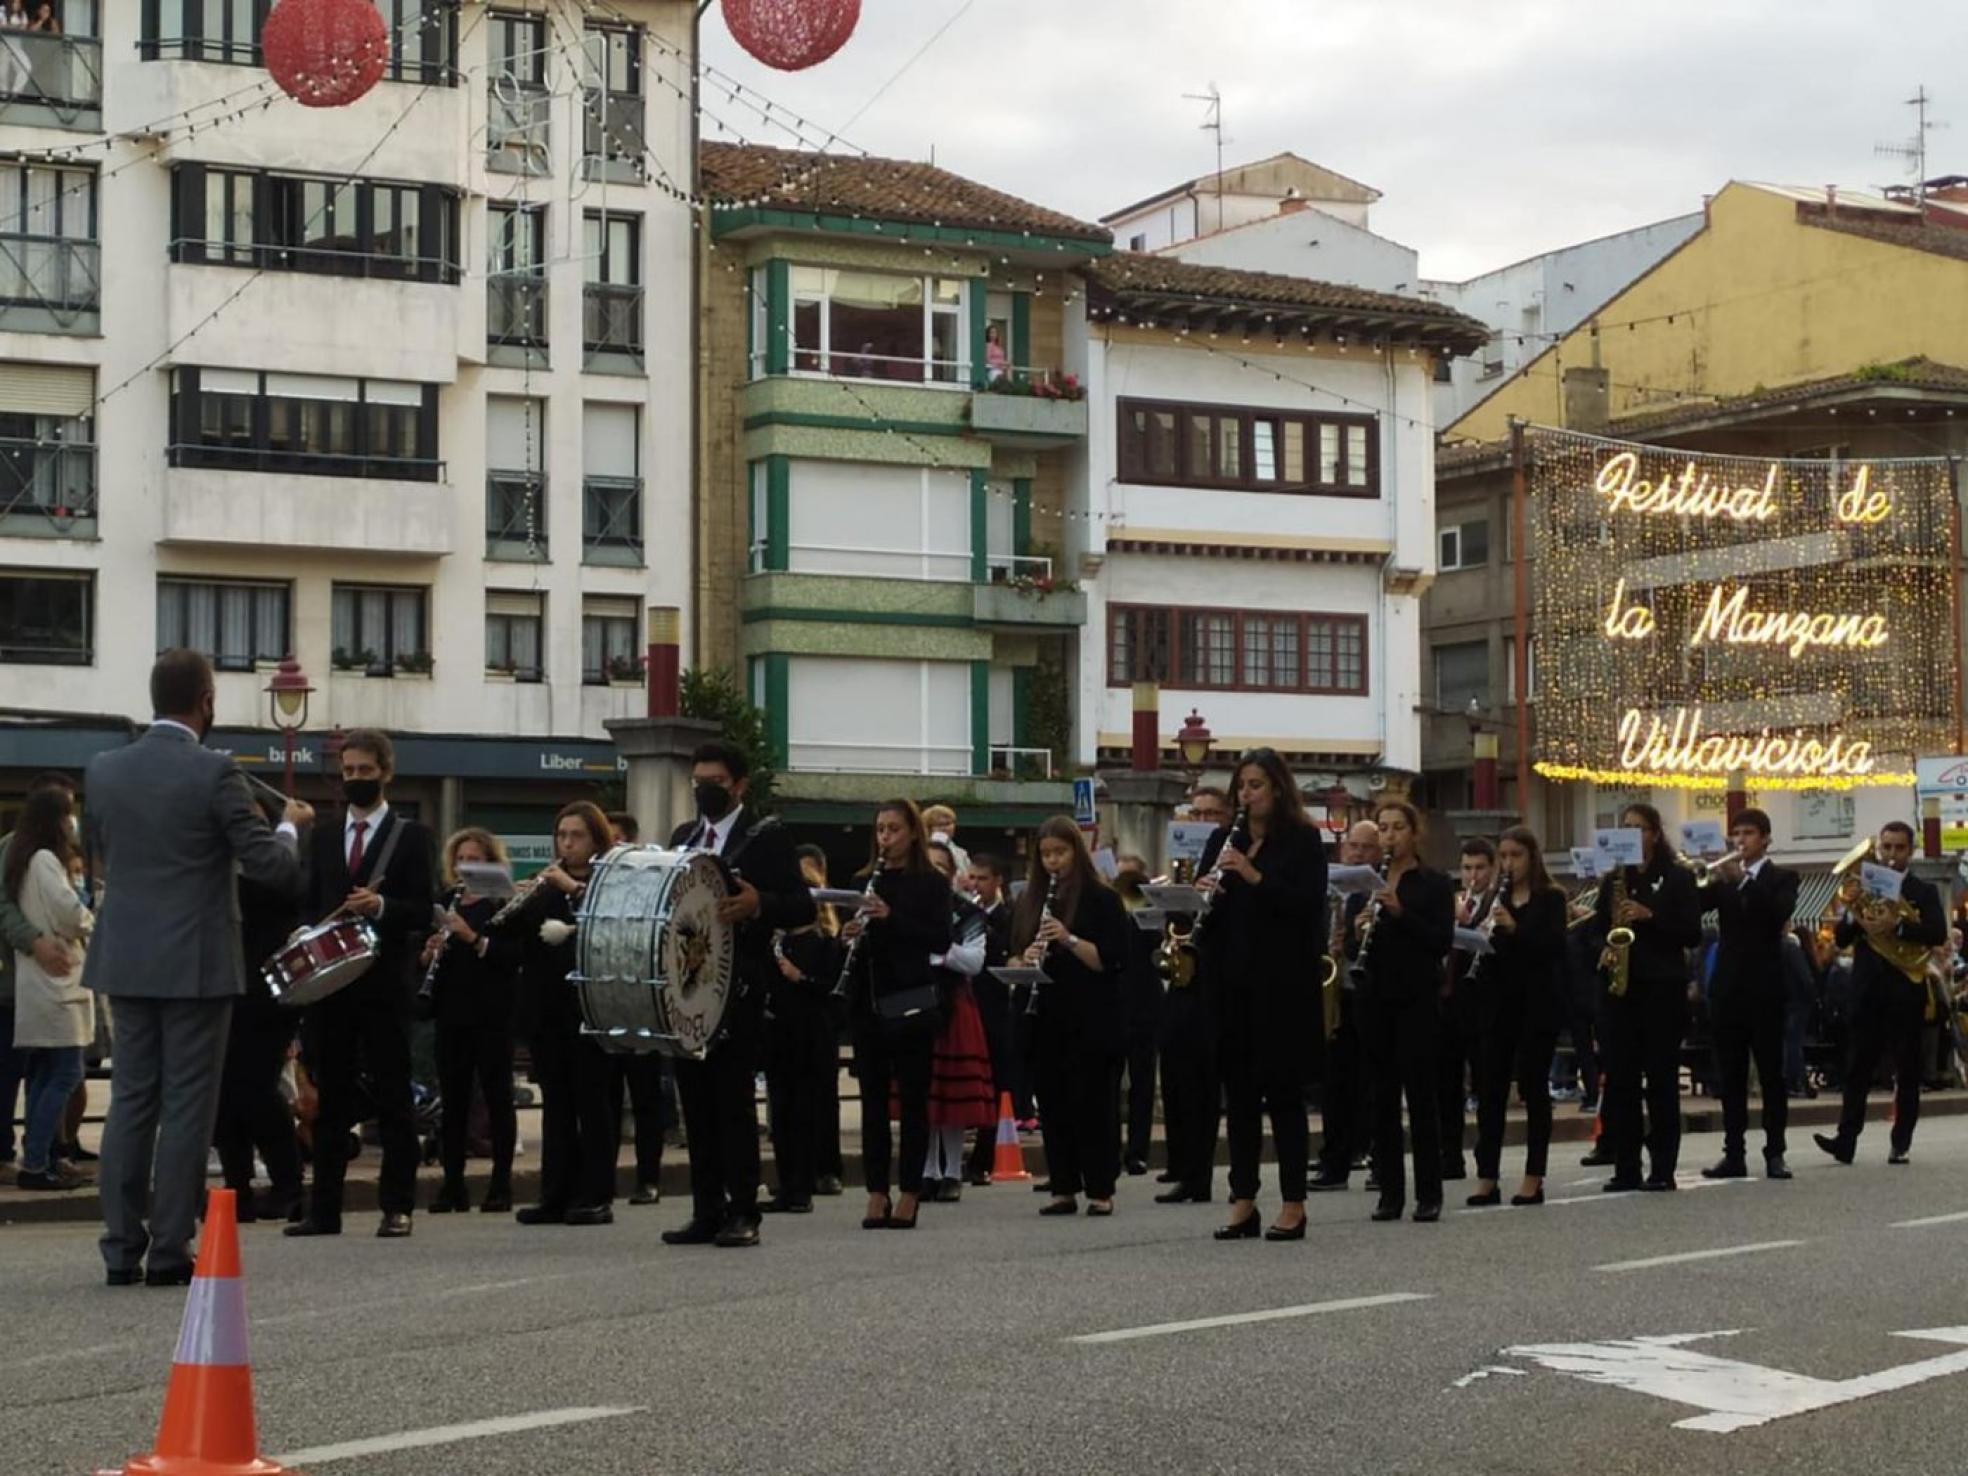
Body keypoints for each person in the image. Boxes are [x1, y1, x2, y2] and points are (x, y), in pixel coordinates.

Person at [86, 650, 307, 1285]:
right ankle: (168, 1250)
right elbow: (273, 868)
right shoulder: (216, 773)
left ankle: (121, 1247)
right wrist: (290, 828)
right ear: (207, 700)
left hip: (126, 956)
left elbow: (111, 855)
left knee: (130, 1100)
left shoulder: (103, 770)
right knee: (186, 1106)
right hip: (197, 960)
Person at [663, 742, 813, 1249]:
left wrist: (758, 904)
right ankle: (706, 1208)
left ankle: (744, 1210)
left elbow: (800, 907)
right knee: (696, 1103)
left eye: (716, 782)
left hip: (740, 985)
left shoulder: (765, 838)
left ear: (739, 785)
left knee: (732, 1101)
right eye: (698, 780)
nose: (705, 789)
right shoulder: (683, 837)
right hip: (687, 985)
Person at [287, 729, 435, 1241]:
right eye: (347, 771)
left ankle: (398, 1207)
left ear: (386, 773)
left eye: (364, 771)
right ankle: (323, 1209)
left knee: (394, 1097)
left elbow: (425, 908)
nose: (354, 780)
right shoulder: (324, 835)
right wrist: (305, 930)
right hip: (333, 986)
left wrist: (384, 908)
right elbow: (309, 899)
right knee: (330, 1099)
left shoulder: (411, 837)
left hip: (385, 983)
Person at [1202, 750, 1328, 1241]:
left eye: (1255, 785)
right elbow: (1217, 917)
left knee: (1284, 1097)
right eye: (1241, 786)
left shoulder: (1302, 841)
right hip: (1231, 984)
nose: (1246, 794)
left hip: (1282, 988)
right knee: (1239, 1099)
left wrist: (1254, 877)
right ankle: (1243, 1199)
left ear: (1276, 788)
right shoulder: (1221, 838)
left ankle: (1294, 1201)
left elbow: (1306, 906)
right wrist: (1202, 894)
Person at [842, 799, 951, 1231]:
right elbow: (857, 941)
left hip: (911, 1000)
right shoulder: (863, 881)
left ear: (912, 834)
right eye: (880, 830)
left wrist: (891, 917)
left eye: (893, 830)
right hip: (868, 1000)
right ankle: (875, 1191)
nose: (885, 838)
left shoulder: (931, 884)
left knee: (912, 1100)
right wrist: (849, 933)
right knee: (871, 1102)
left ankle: (909, 1190)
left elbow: (940, 940)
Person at [1013, 817, 1129, 1219]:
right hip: (1047, 1015)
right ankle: (1063, 1186)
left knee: (1093, 1105)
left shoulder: (1101, 898)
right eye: (1045, 855)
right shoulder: (1032, 899)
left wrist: (1067, 938)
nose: (1052, 862)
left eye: (1059, 853)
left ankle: (1101, 1188)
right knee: (1055, 1103)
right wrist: (1025, 958)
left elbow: (1109, 961)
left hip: (1091, 1018)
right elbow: (1013, 953)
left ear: (1075, 853)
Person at [1816, 820, 1947, 1167]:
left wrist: (1898, 925)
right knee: (1857, 1067)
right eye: (1885, 847)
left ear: (1911, 851)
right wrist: (1853, 918)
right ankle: (1845, 1141)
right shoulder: (1862, 887)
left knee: (1906, 1070)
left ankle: (1900, 1142)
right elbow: (1842, 940)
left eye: (1898, 848)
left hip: (1906, 989)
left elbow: (1936, 932)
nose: (1890, 855)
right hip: (1866, 990)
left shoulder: (1923, 891)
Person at [511, 803, 617, 1225]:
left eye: (577, 836)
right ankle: (554, 1193)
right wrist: (520, 901)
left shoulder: (608, 879)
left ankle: (596, 1194)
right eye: (561, 835)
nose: (567, 843)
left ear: (596, 841)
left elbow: (610, 925)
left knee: (591, 1100)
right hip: (547, 1002)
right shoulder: (548, 884)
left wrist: (573, 888)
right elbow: (522, 939)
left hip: (588, 1001)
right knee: (556, 1102)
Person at [1592, 803, 1701, 1193]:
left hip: (1661, 989)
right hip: (1621, 990)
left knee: (1660, 1081)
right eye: (1626, 827)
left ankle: (1662, 1167)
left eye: (1639, 828)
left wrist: (1650, 916)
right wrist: (1602, 948)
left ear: (1655, 833)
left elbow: (1692, 933)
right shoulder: (1613, 881)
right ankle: (1625, 1166)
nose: (1632, 834)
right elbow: (1596, 928)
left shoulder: (1677, 878)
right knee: (1620, 1081)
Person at [1357, 801, 1454, 1224]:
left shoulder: (1433, 883)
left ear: (1415, 834)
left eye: (1398, 827)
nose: (1389, 836)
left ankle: (1429, 1193)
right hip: (1375, 997)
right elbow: (1348, 947)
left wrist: (1400, 913)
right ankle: (1390, 1193)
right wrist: (1358, 925)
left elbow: (1440, 941)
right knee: (1381, 1098)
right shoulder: (1367, 882)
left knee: (1419, 1097)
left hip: (1416, 998)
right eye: (1383, 828)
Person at [212, 789, 304, 1222]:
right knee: (225, 1095)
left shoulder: (274, 864)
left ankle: (288, 1185)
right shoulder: (218, 861)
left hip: (267, 992)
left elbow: (278, 884)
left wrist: (287, 828)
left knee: (258, 1091)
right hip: (223, 989)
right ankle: (237, 1187)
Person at [419, 829, 521, 1215]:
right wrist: (429, 954)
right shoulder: (447, 901)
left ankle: (500, 1184)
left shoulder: (504, 902)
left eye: (476, 858)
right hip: (452, 1011)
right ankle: (453, 1184)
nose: (467, 866)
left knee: (497, 1097)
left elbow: (513, 956)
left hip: (492, 1011)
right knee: (454, 1100)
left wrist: (473, 938)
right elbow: (425, 951)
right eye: (462, 858)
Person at [1467, 827, 1567, 1208]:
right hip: (1498, 1004)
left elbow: (1553, 947)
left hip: (1536, 1005)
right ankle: (1487, 1176)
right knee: (1490, 1091)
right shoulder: (1495, 896)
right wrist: (1478, 931)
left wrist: (1515, 929)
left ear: (1531, 858)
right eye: (1504, 856)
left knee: (1533, 1089)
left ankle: (1533, 1176)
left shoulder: (1550, 898)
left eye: (1516, 856)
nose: (1509, 864)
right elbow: (1484, 945)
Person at [1700, 809, 1801, 1181]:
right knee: (1731, 1076)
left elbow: (1777, 914)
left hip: (1766, 987)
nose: (1740, 841)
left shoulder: (1782, 878)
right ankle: (1734, 1153)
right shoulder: (1724, 880)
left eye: (1748, 834)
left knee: (1772, 1075)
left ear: (1766, 839)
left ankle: (1775, 1152)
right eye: (1736, 834)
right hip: (1728, 987)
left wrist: (1742, 882)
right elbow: (1695, 906)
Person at [7, 784, 92, 1191]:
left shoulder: (25, 857)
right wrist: (90, 915)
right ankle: (38, 1160)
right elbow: (70, 913)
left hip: (42, 983)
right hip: (56, 983)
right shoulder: (44, 860)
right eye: (67, 813)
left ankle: (38, 1156)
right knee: (65, 1071)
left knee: (45, 1073)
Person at [762, 846, 840, 1214]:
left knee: (807, 1109)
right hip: (780, 1032)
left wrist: (800, 977)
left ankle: (805, 1183)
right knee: (781, 1109)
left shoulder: (824, 943)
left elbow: (831, 988)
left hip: (813, 1033)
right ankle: (786, 1181)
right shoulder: (778, 942)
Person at [916, 838, 995, 1201]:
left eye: (941, 867)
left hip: (954, 1000)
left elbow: (973, 962)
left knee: (952, 1091)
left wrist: (938, 953)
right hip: (918, 999)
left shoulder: (966, 912)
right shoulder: (908, 906)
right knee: (925, 1089)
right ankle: (928, 1168)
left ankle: (952, 1171)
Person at [1311, 819, 1382, 1191]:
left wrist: (1353, 937)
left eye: (1366, 847)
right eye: (1352, 846)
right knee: (1336, 1082)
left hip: (1369, 993)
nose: (1357, 853)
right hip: (1336, 993)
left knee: (1371, 1083)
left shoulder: (1379, 891)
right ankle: (1334, 1159)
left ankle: (1376, 1157)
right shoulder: (1332, 890)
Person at [1442, 838, 1499, 1182]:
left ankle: (1484, 1157)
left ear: (1491, 870)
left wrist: (1467, 925)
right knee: (1447, 1085)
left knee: (1485, 1084)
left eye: (1479, 868)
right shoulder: (1451, 901)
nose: (1472, 876)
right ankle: (1450, 1157)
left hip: (1480, 1003)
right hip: (1449, 1002)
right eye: (1466, 868)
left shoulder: (1495, 902)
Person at [962, 853, 1015, 1185]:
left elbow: (1005, 953)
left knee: (995, 1083)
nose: (976, 885)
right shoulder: (964, 913)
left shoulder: (1008, 916)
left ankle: (982, 1158)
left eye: (983, 879)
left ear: (997, 882)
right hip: (967, 1004)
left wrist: (981, 923)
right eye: (973, 878)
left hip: (994, 1007)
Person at [1113, 856, 1161, 1177]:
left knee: (1142, 1083)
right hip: (1115, 1001)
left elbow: (1156, 947)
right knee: (1111, 1083)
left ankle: (1138, 1152)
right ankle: (1111, 1149)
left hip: (1146, 1001)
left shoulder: (1151, 910)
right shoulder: (1111, 907)